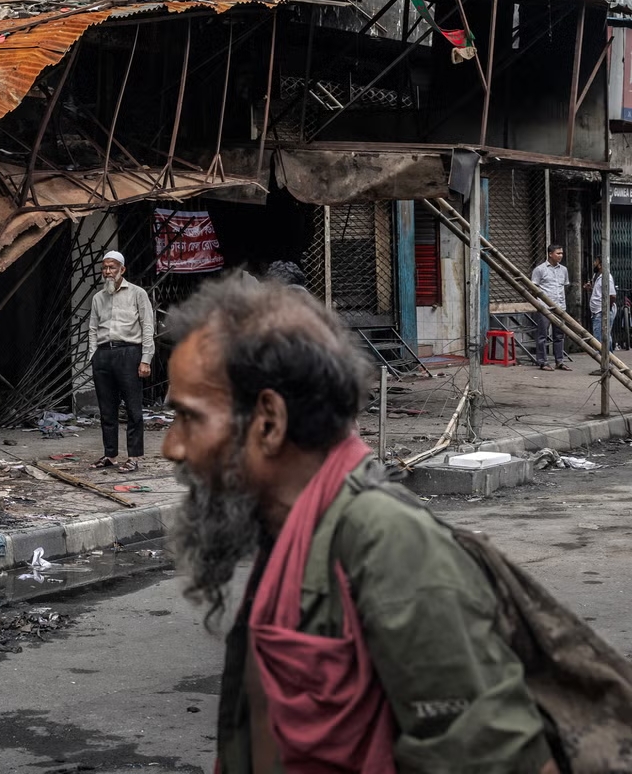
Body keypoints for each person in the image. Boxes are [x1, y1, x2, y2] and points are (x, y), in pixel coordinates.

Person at [161, 275, 558, 774]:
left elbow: (503, 760)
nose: (171, 446)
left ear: (269, 420)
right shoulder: (287, 529)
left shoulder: (388, 542)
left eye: (188, 418)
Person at [87, 249, 155, 473]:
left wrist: (146, 358)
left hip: (129, 353)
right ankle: (110, 454)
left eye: (112, 267)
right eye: (104, 268)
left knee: (133, 409)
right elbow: (93, 329)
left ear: (122, 270)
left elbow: (147, 326)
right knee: (107, 409)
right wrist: (93, 355)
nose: (107, 272)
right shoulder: (98, 297)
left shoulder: (137, 293)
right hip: (103, 355)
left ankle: (134, 456)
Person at [532, 243, 571, 371]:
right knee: (542, 336)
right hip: (544, 308)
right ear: (550, 254)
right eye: (558, 253)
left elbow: (563, 287)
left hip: (560, 307)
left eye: (561, 253)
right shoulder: (540, 270)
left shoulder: (563, 270)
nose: (560, 255)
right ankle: (542, 362)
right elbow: (534, 288)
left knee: (559, 336)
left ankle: (559, 361)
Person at [584, 255, 617, 349]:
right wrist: (590, 289)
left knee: (601, 338)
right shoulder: (598, 276)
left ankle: (607, 360)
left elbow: (612, 295)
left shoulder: (606, 277)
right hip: (597, 311)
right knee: (602, 337)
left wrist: (606, 309)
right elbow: (600, 293)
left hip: (601, 311)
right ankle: (607, 361)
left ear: (600, 265)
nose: (594, 264)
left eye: (596, 262)